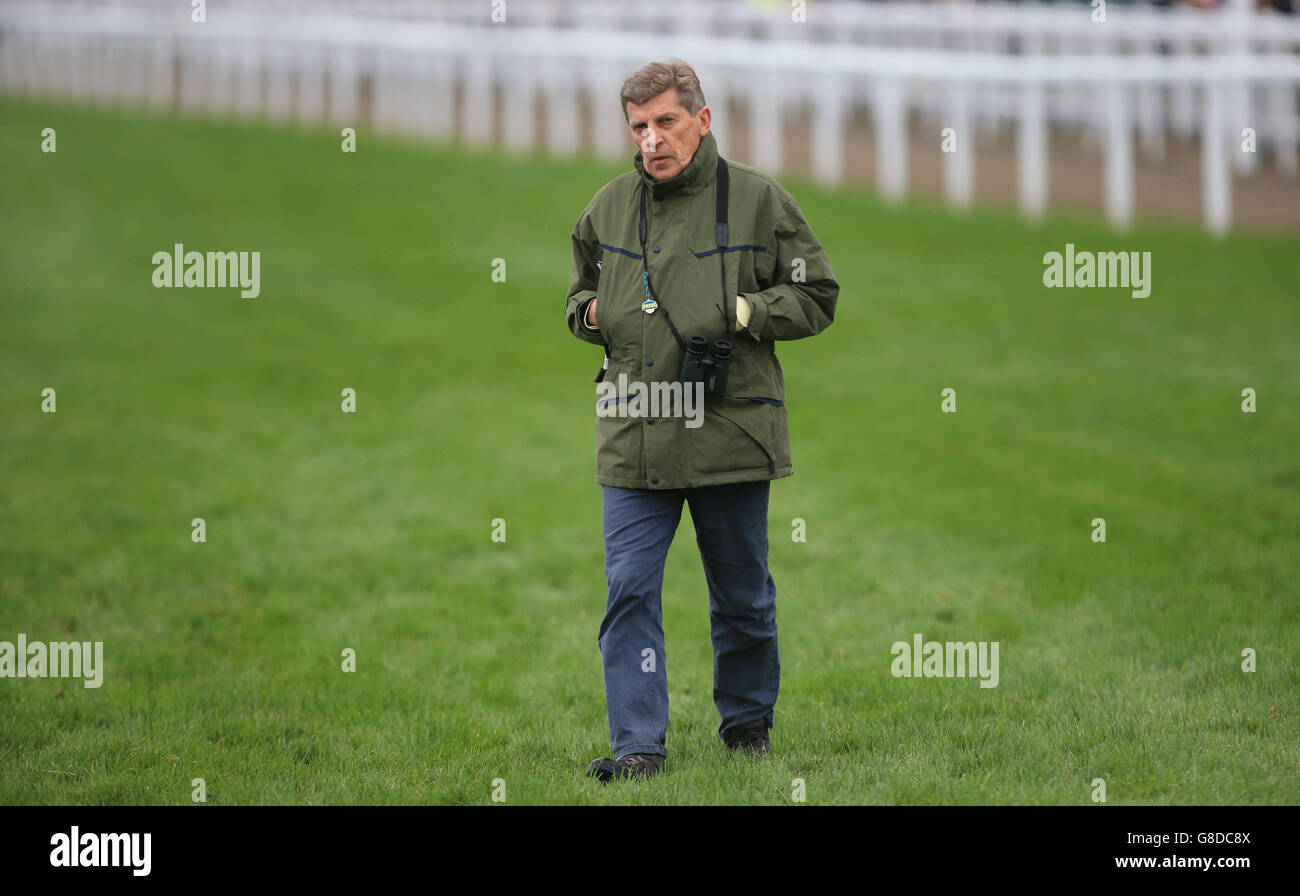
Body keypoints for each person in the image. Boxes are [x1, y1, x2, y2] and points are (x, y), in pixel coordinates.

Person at [564, 59, 839, 782]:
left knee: (742, 594)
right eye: (639, 127)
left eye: (666, 122)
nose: (652, 140)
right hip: (635, 426)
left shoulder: (757, 200)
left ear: (703, 119)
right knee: (628, 590)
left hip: (730, 429)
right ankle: (638, 749)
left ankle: (747, 728)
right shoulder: (608, 205)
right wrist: (591, 314)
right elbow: (578, 295)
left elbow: (818, 293)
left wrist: (750, 311)